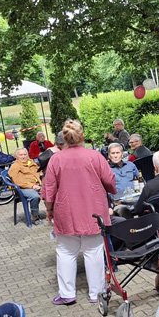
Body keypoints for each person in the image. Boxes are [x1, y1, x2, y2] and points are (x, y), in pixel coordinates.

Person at [42, 119, 117, 305]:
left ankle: (67, 293)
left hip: (66, 211)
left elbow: (49, 188)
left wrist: (49, 210)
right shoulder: (95, 156)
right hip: (94, 210)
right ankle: (96, 293)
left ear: (64, 139)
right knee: (93, 251)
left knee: (66, 252)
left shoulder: (56, 159)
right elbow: (109, 180)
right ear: (82, 135)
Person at [8, 148, 44, 220]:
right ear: (16, 156)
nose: (23, 156)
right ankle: (35, 216)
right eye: (21, 155)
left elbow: (39, 172)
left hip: (37, 185)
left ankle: (53, 214)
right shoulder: (15, 166)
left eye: (25, 154)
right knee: (35, 196)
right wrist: (32, 186)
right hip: (22, 188)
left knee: (53, 191)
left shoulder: (31, 162)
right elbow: (17, 182)